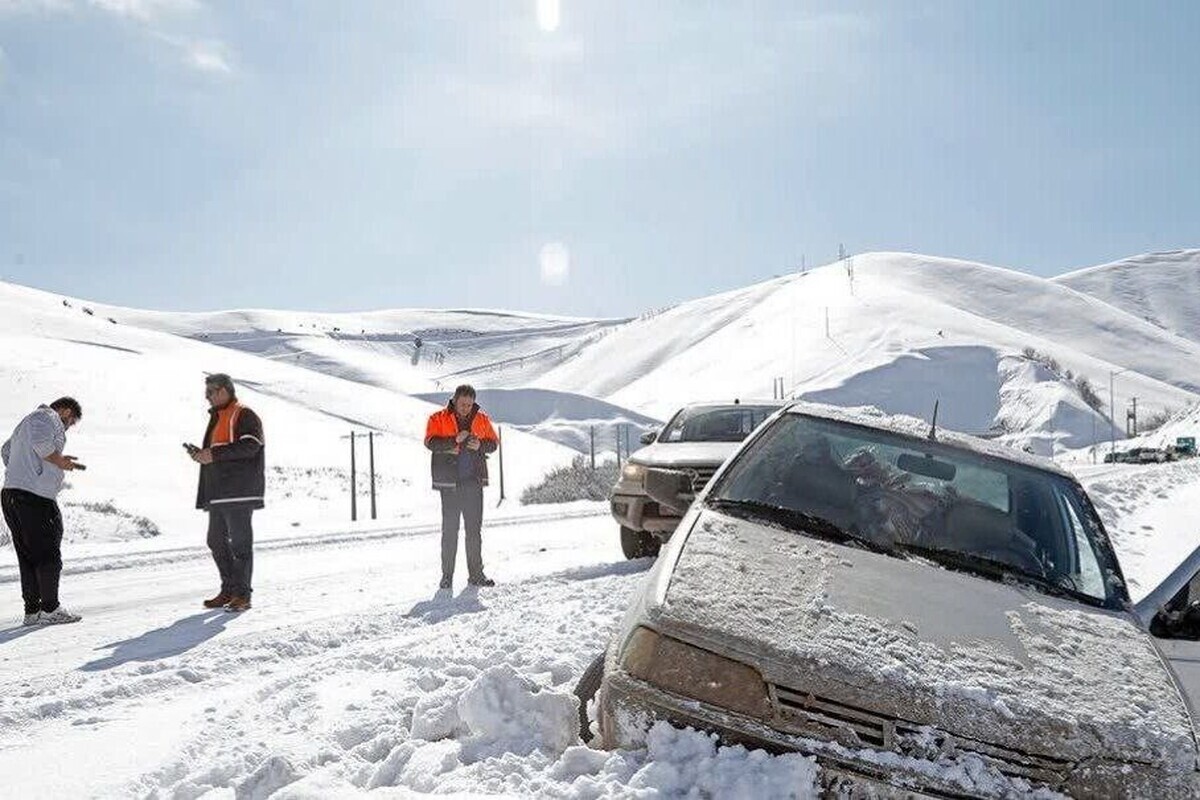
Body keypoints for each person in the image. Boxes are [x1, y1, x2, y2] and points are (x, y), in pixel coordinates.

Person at [1, 397, 85, 625]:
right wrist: (60, 462)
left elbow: (6, 451)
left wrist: (24, 471)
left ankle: (33, 610)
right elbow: (42, 445)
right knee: (48, 551)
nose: (68, 427)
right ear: (65, 411)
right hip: (34, 497)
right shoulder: (46, 416)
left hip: (13, 494)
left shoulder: (25, 423)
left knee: (27, 555)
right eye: (70, 422)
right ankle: (50, 608)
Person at [190, 374, 265, 613]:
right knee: (215, 540)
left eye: (210, 392)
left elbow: (251, 445)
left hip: (239, 492)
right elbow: (219, 451)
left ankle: (243, 595)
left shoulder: (244, 414)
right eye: (206, 393)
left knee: (241, 545)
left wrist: (213, 455)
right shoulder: (219, 417)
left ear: (224, 391)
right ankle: (230, 589)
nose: (207, 398)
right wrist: (203, 454)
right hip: (219, 493)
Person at [424, 385, 498, 589]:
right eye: (462, 403)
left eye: (469, 404)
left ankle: (476, 575)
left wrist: (480, 446)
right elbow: (430, 442)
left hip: (473, 482)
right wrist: (453, 441)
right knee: (450, 531)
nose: (466, 408)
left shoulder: (482, 419)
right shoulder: (437, 418)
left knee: (474, 531)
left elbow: (493, 443)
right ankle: (446, 576)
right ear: (454, 400)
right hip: (449, 484)